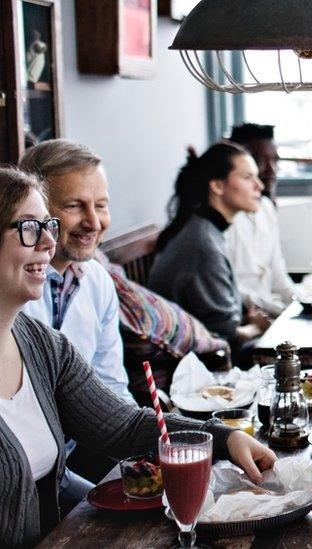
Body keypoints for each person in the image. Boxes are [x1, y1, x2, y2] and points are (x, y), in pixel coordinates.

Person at [0, 168, 277, 547]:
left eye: (48, 224)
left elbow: (123, 426)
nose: (49, 241)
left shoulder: (42, 344)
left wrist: (225, 440)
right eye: (29, 227)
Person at [18, 140, 136, 510]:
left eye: (101, 205)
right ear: (36, 215)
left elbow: (112, 388)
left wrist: (138, 456)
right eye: (74, 206)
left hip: (64, 464)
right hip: (22, 473)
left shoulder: (98, 280)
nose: (94, 222)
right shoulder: (13, 287)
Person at [148, 143, 270, 364]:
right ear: (217, 186)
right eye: (247, 177)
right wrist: (256, 327)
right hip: (198, 366)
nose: (259, 186)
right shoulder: (202, 243)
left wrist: (246, 316)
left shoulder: (204, 230)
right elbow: (224, 338)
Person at [225, 123, 296, 316]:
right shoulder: (223, 220)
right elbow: (229, 294)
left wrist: (304, 305)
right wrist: (280, 312)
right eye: (261, 162)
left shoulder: (266, 208)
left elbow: (279, 278)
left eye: (275, 161)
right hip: (243, 319)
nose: (271, 171)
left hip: (270, 313)